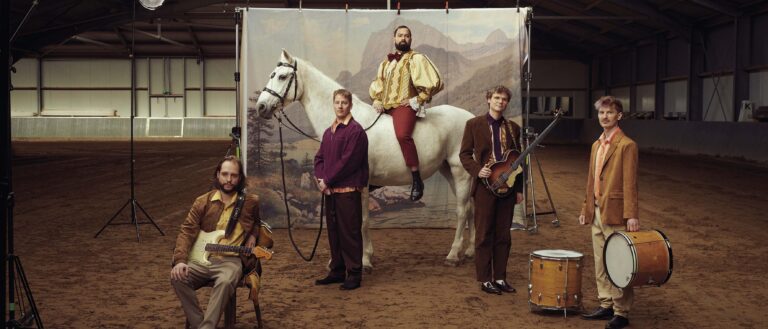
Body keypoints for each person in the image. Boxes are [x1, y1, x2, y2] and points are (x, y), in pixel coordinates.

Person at [170, 156, 260, 329]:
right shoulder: (202, 201)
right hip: (202, 258)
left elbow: (257, 221)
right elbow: (187, 231)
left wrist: (253, 236)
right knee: (178, 277)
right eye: (225, 174)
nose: (229, 179)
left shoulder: (250, 202)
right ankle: (201, 325)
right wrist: (180, 260)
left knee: (225, 282)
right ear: (218, 175)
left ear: (239, 178)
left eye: (233, 175)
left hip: (231, 260)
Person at [579, 96, 639, 329]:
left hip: (616, 212)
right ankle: (606, 304)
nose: (605, 117)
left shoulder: (627, 145)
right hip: (596, 211)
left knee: (619, 263)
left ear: (619, 116)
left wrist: (631, 214)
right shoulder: (596, 145)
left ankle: (621, 311)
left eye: (610, 113)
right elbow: (591, 179)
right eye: (601, 113)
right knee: (600, 261)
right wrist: (586, 207)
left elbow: (630, 183)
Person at [459, 86, 524, 295]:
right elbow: (464, 154)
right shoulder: (474, 125)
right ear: (488, 99)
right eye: (496, 98)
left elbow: (518, 161)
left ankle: (500, 277)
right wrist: (478, 170)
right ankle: (485, 279)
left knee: (503, 234)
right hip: (485, 188)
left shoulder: (514, 128)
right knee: (484, 233)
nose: (500, 102)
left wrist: (519, 189)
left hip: (508, 187)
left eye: (504, 99)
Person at [369, 25, 444, 202]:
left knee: (403, 135)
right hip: (385, 106)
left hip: (405, 106)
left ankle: (416, 178)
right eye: (400, 35)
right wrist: (377, 99)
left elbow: (435, 83)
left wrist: (417, 99)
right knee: (372, 133)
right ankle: (378, 179)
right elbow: (379, 84)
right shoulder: (386, 63)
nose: (403, 38)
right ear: (394, 39)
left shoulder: (416, 58)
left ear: (411, 39)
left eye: (406, 35)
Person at [314, 89, 369, 290]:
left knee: (350, 234)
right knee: (334, 233)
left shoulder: (356, 131)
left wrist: (327, 180)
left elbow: (348, 163)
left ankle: (354, 274)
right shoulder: (328, 132)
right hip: (331, 192)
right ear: (333, 104)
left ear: (350, 105)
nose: (340, 106)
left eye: (344, 103)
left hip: (348, 192)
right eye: (337, 102)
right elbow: (319, 158)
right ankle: (337, 271)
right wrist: (321, 180)